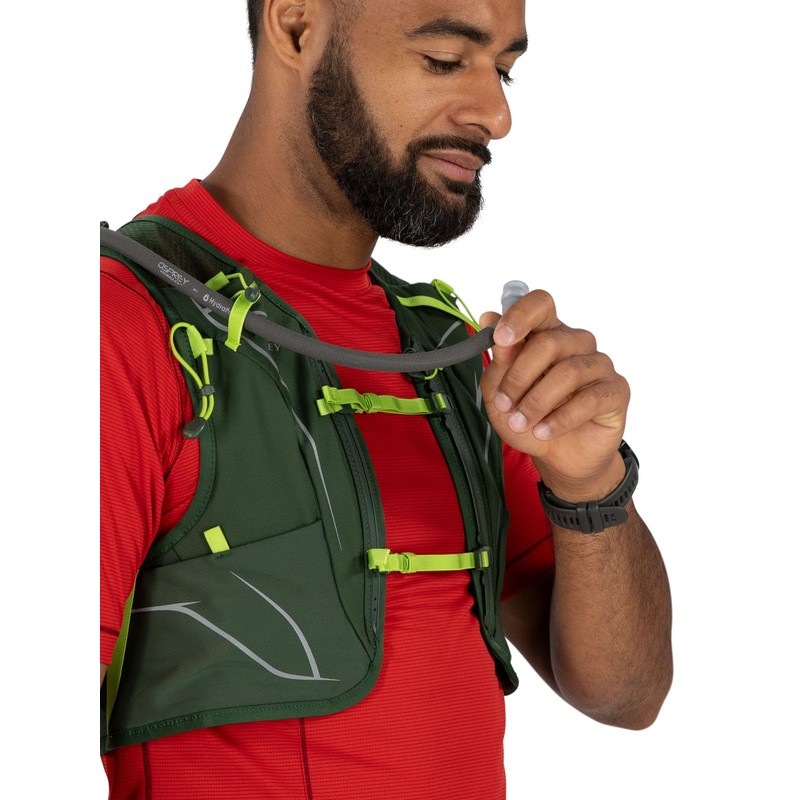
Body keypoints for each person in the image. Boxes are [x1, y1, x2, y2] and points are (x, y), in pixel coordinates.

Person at [100, 1, 673, 798]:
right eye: (445, 60)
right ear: (296, 27)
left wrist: (589, 486)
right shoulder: (120, 324)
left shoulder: (449, 357)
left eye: (504, 71)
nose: (497, 116)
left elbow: (627, 694)